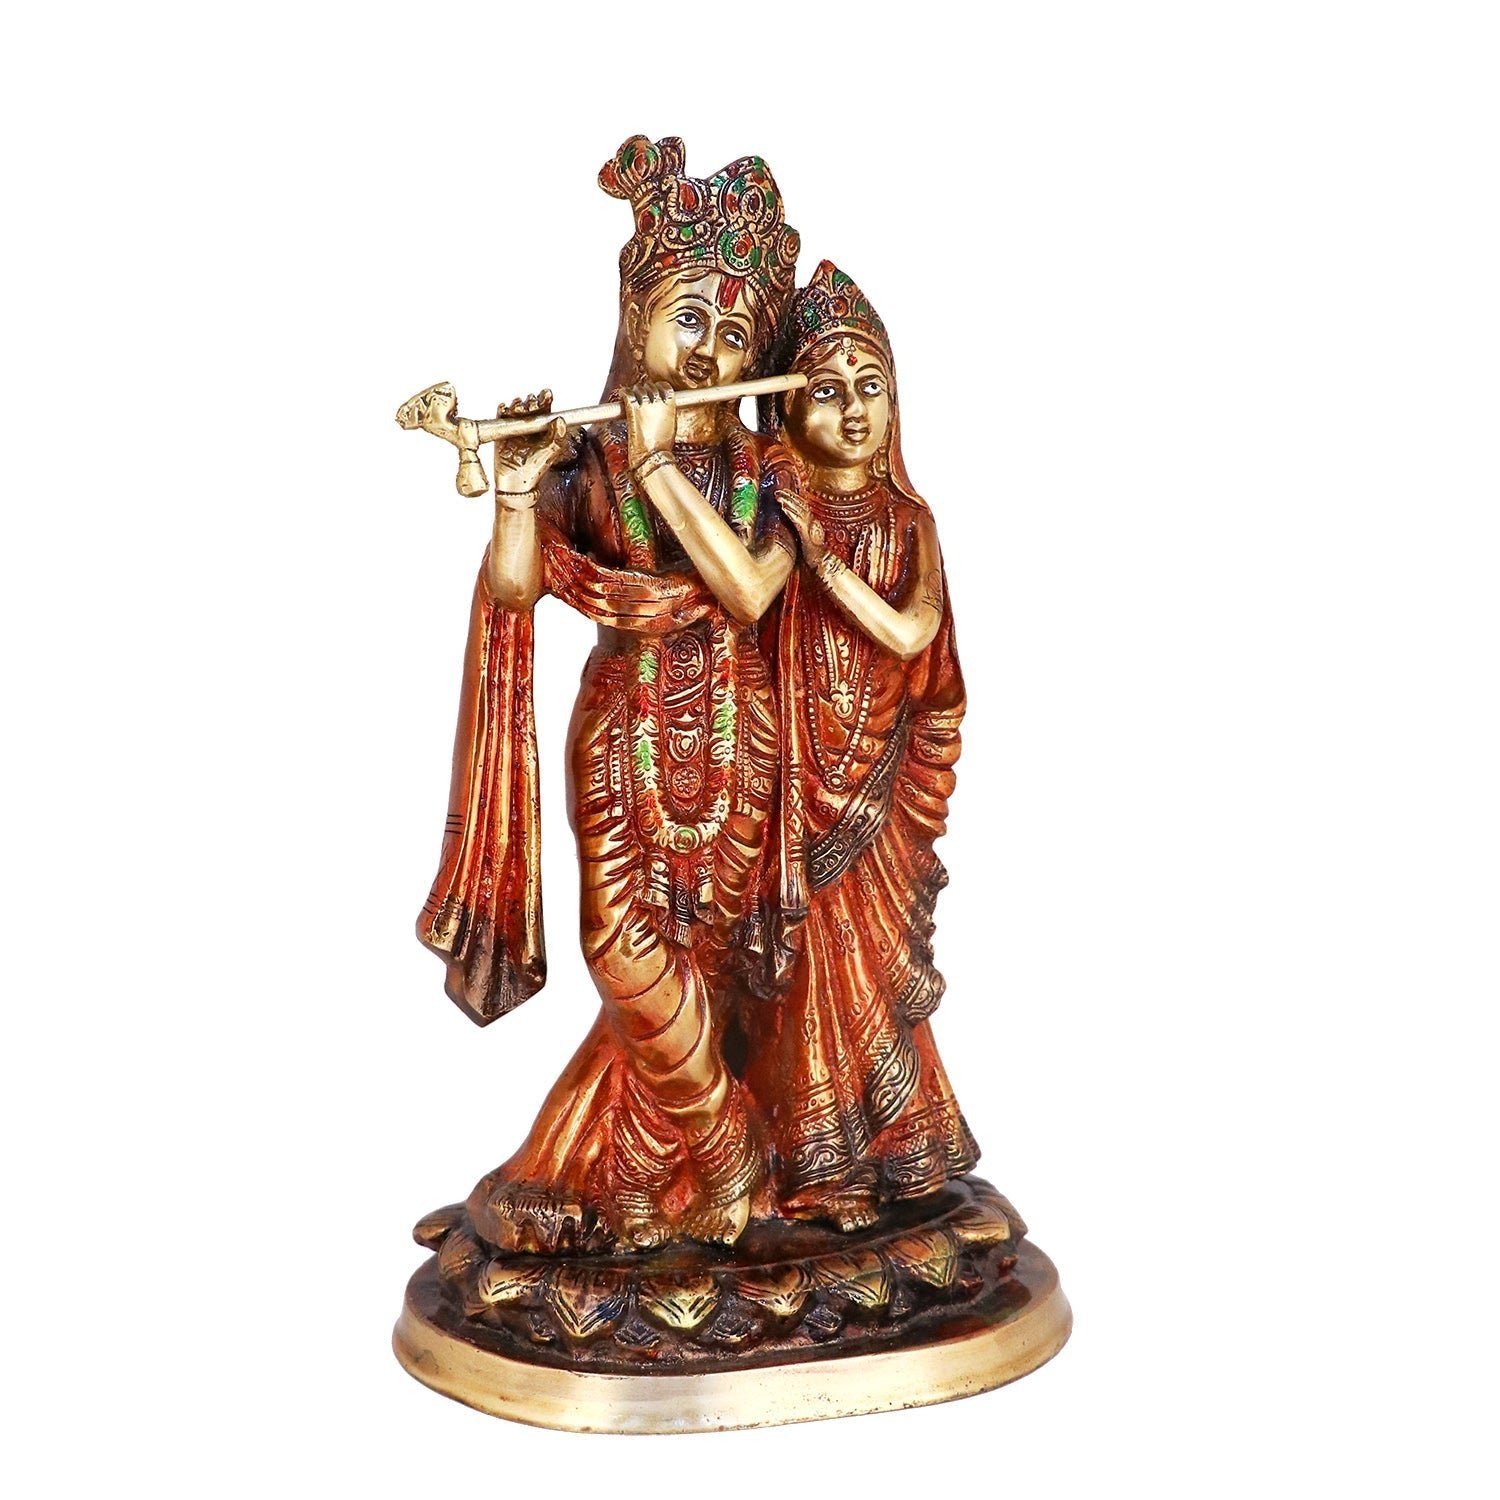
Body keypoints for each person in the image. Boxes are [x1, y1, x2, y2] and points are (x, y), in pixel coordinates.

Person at [417, 137, 799, 1250]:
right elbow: (519, 587)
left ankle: (644, 1179)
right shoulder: (589, 463)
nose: (709, 349)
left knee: (706, 968)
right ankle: (724, 1147)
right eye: (689, 319)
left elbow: (747, 592)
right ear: (636, 320)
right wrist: (517, 494)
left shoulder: (767, 475)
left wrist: (665, 464)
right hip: (621, 724)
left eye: (736, 333)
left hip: (738, 726)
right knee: (624, 949)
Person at [745, 262, 979, 1232]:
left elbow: (912, 632)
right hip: (793, 788)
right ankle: (812, 1167)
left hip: (879, 789)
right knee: (807, 973)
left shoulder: (908, 523)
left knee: (875, 971)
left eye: (870, 386)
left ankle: (900, 1146)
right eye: (826, 390)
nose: (852, 411)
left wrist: (823, 558)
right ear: (785, 411)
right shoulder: (770, 521)